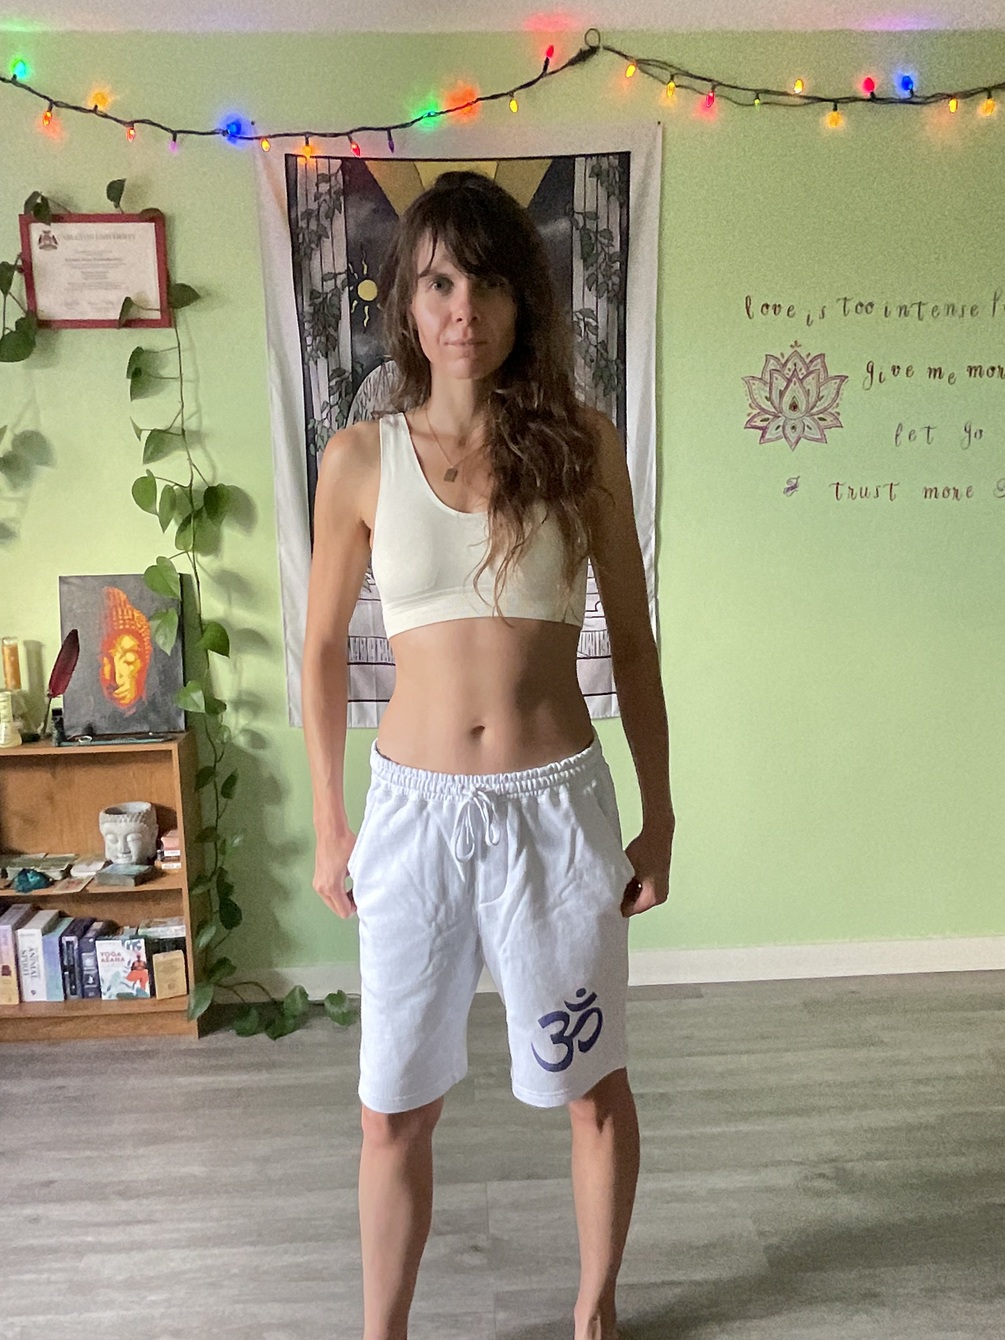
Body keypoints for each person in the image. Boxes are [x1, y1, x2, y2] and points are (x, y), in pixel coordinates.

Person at [302, 170, 673, 1340]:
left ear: (525, 300)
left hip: (555, 813)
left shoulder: (584, 447)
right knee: (390, 1109)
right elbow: (320, 650)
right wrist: (329, 820)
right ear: (409, 304)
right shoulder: (360, 458)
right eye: (439, 283)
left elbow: (635, 643)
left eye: (489, 283)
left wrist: (661, 813)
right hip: (411, 819)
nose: (464, 308)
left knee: (590, 1087)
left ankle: (595, 1307)